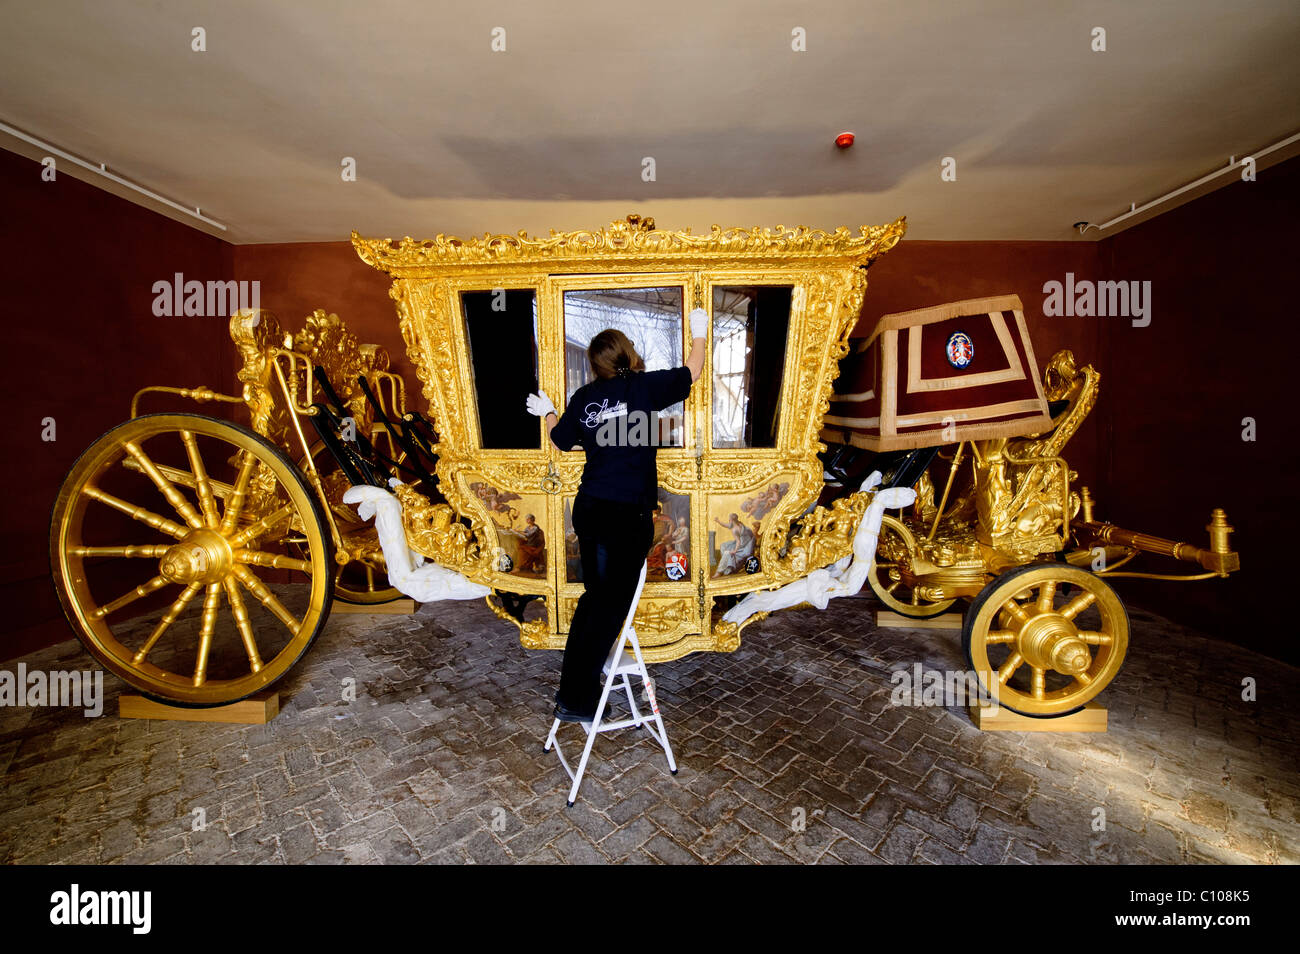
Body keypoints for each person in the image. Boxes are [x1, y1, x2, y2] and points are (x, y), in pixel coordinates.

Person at [526, 310, 708, 722]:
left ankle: (575, 693)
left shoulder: (586, 398)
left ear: (595, 365)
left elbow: (560, 440)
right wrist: (699, 334)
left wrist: (550, 411)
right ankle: (576, 698)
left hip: (590, 507)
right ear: (628, 354)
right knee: (607, 608)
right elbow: (692, 372)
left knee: (597, 603)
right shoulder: (644, 387)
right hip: (626, 514)